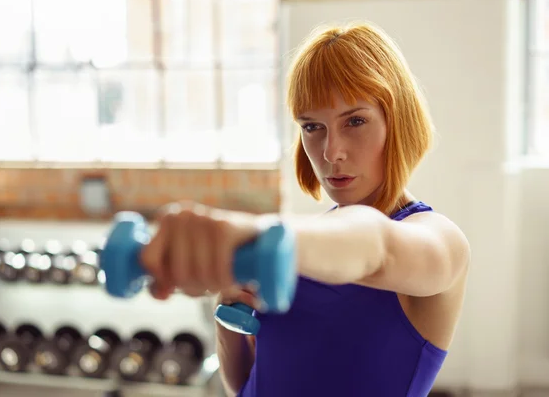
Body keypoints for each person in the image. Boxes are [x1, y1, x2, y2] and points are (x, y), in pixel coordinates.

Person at [140, 21, 470, 397]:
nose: (331, 152)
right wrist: (229, 316)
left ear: (397, 122)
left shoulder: (439, 240)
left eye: (355, 121)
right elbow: (248, 386)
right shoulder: (308, 242)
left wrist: (253, 232)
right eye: (313, 126)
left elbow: (376, 246)